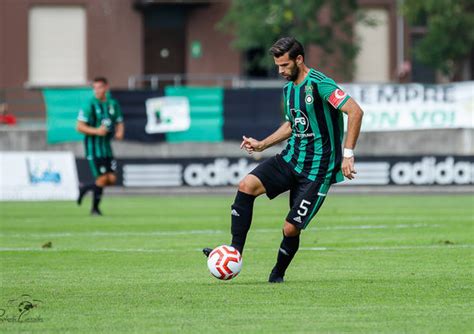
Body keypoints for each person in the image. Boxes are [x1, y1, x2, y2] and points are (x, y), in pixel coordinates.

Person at [203, 37, 364, 283]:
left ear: (299, 59)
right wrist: (262, 144)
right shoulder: (289, 89)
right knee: (246, 186)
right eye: (278, 66)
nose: (280, 71)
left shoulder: (320, 84)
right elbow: (293, 123)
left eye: (285, 65)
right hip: (290, 159)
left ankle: (277, 274)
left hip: (317, 171)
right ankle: (234, 253)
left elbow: (355, 110)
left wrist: (348, 154)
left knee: (290, 228)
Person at [76, 77, 124, 215]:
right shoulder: (89, 105)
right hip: (93, 148)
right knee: (102, 179)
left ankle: (85, 187)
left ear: (106, 87)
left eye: (100, 87)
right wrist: (97, 131)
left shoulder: (112, 104)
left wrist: (120, 132)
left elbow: (119, 121)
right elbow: (79, 127)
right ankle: (95, 209)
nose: (97, 90)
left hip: (107, 148)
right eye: (95, 88)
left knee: (112, 179)